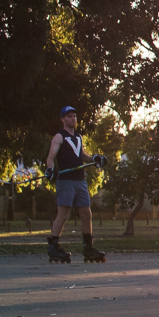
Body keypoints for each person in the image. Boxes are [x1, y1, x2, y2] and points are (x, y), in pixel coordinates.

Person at [47, 106, 105, 263]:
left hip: (80, 181)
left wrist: (95, 158)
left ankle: (88, 247)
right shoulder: (59, 137)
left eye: (74, 116)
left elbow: (82, 156)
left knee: (86, 213)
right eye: (69, 116)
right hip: (66, 180)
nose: (73, 119)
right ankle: (53, 246)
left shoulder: (78, 137)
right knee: (64, 214)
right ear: (63, 119)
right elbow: (51, 157)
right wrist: (50, 170)